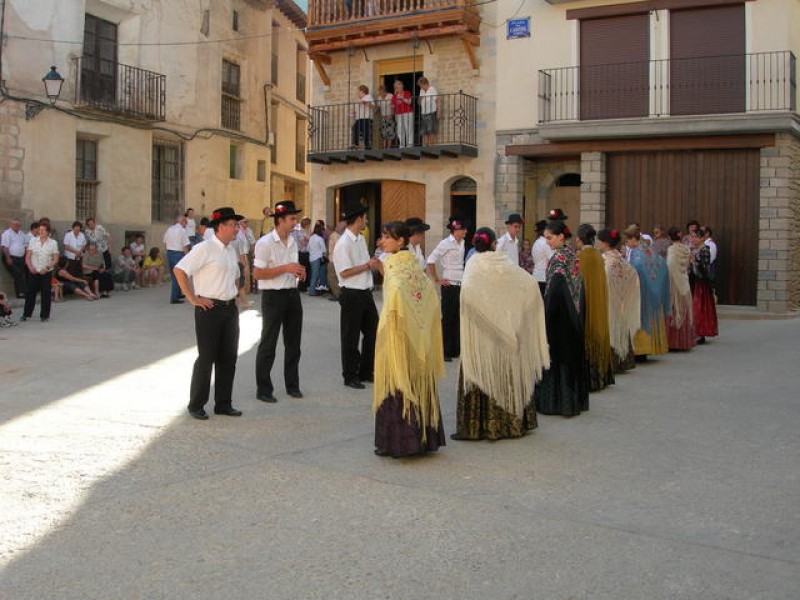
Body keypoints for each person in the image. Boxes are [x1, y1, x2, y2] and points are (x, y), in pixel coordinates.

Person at [454, 227, 549, 441]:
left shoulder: (473, 264)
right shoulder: (505, 263)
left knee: (482, 372)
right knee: (508, 373)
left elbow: (467, 297)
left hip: (480, 336)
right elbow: (529, 283)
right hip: (507, 333)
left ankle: (477, 428)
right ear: (494, 244)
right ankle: (513, 426)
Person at [373, 221, 447, 457]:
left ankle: (400, 444)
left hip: (400, 336)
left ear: (400, 241)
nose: (382, 241)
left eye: (387, 237)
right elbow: (429, 296)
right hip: (417, 336)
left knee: (399, 384)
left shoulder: (395, 268)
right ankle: (423, 440)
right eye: (382, 236)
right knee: (415, 383)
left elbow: (398, 298)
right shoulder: (412, 266)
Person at [174, 207, 245, 420]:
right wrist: (193, 298)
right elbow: (179, 270)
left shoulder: (231, 250)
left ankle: (223, 404)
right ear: (220, 227)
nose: (237, 228)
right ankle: (196, 404)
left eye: (237, 225)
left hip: (229, 309)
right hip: (209, 309)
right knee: (206, 358)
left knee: (228, 358)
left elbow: (235, 276)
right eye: (233, 225)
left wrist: (235, 294)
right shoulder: (204, 248)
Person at [253, 201, 307, 403]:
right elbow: (257, 274)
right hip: (273, 297)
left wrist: (300, 271)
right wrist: (286, 268)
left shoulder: (292, 241)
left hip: (292, 295)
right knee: (269, 343)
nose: (295, 222)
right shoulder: (265, 243)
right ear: (280, 220)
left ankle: (292, 385)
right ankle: (263, 389)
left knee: (294, 344)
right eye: (292, 219)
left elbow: (293, 267)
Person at [534, 220, 589, 417]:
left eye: (550, 238)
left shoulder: (558, 260)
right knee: (570, 357)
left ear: (560, 237)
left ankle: (556, 403)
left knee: (557, 357)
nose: (547, 242)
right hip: (574, 315)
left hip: (560, 318)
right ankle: (572, 402)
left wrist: (544, 316)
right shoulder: (571, 255)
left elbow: (554, 293)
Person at [333, 199, 382, 389]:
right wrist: (368, 265)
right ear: (358, 219)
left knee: (373, 332)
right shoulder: (343, 244)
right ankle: (350, 375)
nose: (367, 221)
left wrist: (373, 262)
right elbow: (344, 272)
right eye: (365, 218)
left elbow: (364, 263)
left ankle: (366, 370)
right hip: (351, 293)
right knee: (350, 337)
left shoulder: (360, 239)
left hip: (365, 292)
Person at [575, 224, 614, 392]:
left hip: (587, 303)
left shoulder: (582, 257)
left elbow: (578, 282)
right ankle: (601, 376)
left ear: (579, 239)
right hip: (598, 302)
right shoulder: (598, 255)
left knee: (587, 335)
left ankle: (589, 379)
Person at [597, 228, 640, 372]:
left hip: (609, 301)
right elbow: (633, 275)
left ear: (605, 243)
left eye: (599, 241)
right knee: (621, 328)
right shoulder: (622, 259)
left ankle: (611, 363)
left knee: (611, 329)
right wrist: (626, 295)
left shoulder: (604, 261)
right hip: (621, 302)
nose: (598, 243)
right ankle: (623, 361)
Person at [426, 216, 467, 362]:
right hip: (449, 284)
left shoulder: (462, 242)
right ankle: (443, 350)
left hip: (460, 283)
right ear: (455, 231)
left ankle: (455, 349)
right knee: (448, 318)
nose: (465, 231)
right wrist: (437, 279)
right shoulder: (445, 243)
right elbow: (430, 260)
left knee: (457, 318)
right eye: (462, 229)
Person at [626, 225, 670, 359]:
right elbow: (662, 265)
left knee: (640, 317)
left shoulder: (636, 253)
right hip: (652, 290)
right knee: (650, 317)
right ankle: (649, 348)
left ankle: (640, 350)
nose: (627, 244)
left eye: (627, 241)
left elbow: (633, 270)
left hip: (640, 290)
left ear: (633, 239)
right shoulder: (649, 250)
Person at [22, 221, 59, 322]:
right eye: (40, 229)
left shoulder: (53, 243)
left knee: (46, 294)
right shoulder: (33, 241)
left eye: (43, 230)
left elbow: (55, 259)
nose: (41, 232)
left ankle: (44, 315)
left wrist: (46, 268)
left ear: (48, 232)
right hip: (33, 271)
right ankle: (26, 314)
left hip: (46, 272)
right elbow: (27, 257)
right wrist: (30, 267)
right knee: (30, 293)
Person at [666, 226, 695, 351]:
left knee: (675, 309)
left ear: (669, 237)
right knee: (684, 308)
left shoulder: (672, 250)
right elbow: (687, 266)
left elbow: (670, 266)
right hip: (684, 281)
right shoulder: (686, 249)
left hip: (674, 283)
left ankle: (674, 343)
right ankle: (684, 342)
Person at [691, 228, 719, 344]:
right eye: (692, 237)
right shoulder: (694, 250)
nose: (693, 239)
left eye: (696, 237)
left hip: (701, 283)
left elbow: (704, 268)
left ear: (702, 238)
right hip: (694, 281)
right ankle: (694, 332)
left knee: (700, 308)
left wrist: (693, 262)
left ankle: (701, 333)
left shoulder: (705, 250)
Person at [163, 214, 190, 304]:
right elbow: (185, 245)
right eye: (185, 222)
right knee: (178, 275)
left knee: (174, 275)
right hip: (178, 254)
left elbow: (165, 242)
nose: (186, 224)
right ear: (182, 222)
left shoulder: (169, 229)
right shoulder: (182, 230)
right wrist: (187, 257)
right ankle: (174, 298)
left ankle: (178, 293)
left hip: (170, 252)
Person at [1, 218, 28, 299]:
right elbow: (4, 247)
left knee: (19, 275)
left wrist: (25, 257)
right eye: (15, 224)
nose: (17, 226)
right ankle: (22, 292)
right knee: (18, 274)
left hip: (21, 258)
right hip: (10, 257)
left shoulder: (22, 234)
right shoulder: (7, 233)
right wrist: (8, 258)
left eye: (18, 225)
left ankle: (20, 293)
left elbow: (26, 245)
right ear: (11, 225)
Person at [531, 219, 553, 296]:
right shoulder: (545, 243)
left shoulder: (536, 242)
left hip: (536, 275)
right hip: (543, 277)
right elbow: (552, 258)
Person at [326, 219, 346, 302]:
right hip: (336, 259)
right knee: (335, 277)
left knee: (332, 277)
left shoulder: (334, 235)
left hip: (333, 260)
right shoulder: (339, 236)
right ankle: (338, 293)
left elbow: (336, 248)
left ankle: (337, 294)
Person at [307, 221, 329, 296]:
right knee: (316, 275)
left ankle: (314, 289)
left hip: (311, 258)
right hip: (318, 258)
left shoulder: (311, 238)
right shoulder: (320, 239)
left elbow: (308, 248)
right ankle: (312, 291)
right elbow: (324, 250)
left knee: (313, 274)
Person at [351, 85, 375, 150]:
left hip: (366, 118)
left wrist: (365, 103)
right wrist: (353, 113)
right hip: (359, 118)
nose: (358, 93)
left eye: (359, 91)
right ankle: (356, 145)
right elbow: (357, 109)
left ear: (362, 91)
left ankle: (367, 146)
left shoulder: (368, 97)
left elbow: (373, 106)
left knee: (366, 132)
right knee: (355, 129)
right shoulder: (359, 100)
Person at [391, 79, 413, 148]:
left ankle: (409, 144)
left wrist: (402, 98)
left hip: (408, 113)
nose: (397, 87)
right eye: (396, 86)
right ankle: (402, 145)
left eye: (398, 85)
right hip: (398, 114)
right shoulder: (394, 96)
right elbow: (392, 106)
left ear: (402, 86)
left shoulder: (407, 92)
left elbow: (409, 102)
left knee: (408, 128)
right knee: (400, 130)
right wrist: (394, 104)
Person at [418, 76, 438, 146]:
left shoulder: (432, 89)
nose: (420, 87)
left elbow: (437, 100)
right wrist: (420, 98)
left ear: (425, 83)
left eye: (421, 85)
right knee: (424, 131)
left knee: (431, 129)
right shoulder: (421, 91)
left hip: (431, 112)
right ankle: (426, 145)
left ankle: (431, 145)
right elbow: (419, 102)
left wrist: (438, 112)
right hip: (423, 113)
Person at [376, 84, 395, 149]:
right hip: (383, 117)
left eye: (382, 91)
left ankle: (389, 147)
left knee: (390, 132)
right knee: (383, 133)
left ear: (385, 91)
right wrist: (374, 111)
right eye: (380, 91)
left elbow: (393, 106)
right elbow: (378, 107)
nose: (381, 93)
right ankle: (384, 147)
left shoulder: (390, 96)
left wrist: (391, 115)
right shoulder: (379, 97)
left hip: (389, 116)